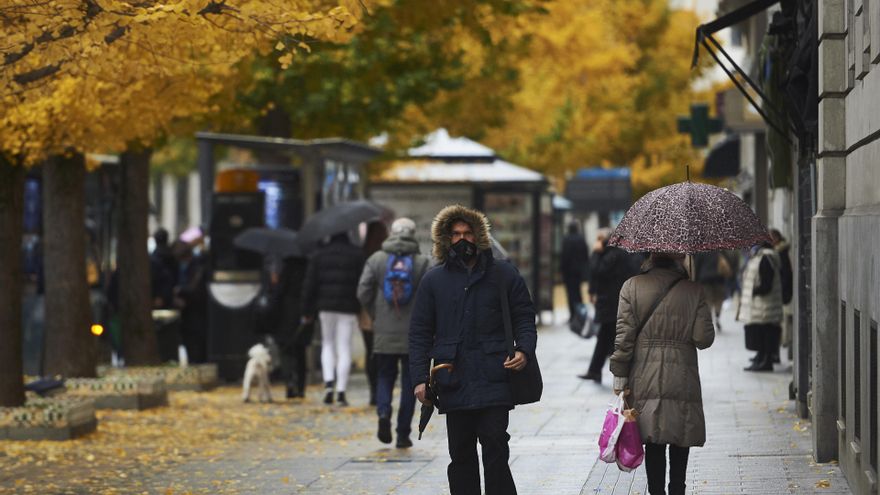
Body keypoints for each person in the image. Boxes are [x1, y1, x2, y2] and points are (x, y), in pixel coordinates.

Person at [409, 205, 536, 495]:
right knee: (461, 454)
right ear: (446, 238)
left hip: (495, 376)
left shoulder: (503, 274)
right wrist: (419, 378)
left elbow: (524, 317)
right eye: (455, 234)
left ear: (479, 236)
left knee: (496, 447)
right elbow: (419, 332)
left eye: (467, 233)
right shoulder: (433, 280)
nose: (462, 239)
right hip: (453, 379)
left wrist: (524, 350)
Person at [610, 252, 715, 495]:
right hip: (683, 374)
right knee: (681, 434)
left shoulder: (631, 287)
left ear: (650, 256)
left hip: (644, 373)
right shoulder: (693, 290)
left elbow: (624, 338)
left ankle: (656, 491)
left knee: (653, 436)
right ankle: (678, 489)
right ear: (678, 257)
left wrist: (619, 375)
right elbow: (703, 338)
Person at [358, 218, 430, 448]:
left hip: (383, 331)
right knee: (411, 382)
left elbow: (363, 291)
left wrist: (376, 314)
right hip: (414, 334)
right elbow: (430, 296)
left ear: (392, 232)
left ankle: (383, 413)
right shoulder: (422, 262)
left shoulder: (376, 259)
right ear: (413, 233)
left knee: (384, 376)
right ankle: (402, 434)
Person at [301, 231, 366, 406]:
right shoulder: (357, 254)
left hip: (325, 307)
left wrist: (306, 310)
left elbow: (310, 284)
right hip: (348, 307)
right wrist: (361, 305)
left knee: (327, 344)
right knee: (344, 347)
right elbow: (363, 282)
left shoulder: (319, 255)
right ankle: (341, 391)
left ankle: (329, 385)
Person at [579, 228, 638, 382]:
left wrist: (595, 253)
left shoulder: (612, 255)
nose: (597, 242)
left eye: (600, 238)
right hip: (612, 302)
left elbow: (596, 271)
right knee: (605, 337)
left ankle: (604, 371)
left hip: (612, 303)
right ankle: (595, 370)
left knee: (611, 338)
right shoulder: (616, 253)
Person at [739, 241, 784, 371]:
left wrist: (753, 291)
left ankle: (766, 361)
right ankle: (761, 357)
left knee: (765, 333)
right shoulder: (760, 256)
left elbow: (766, 284)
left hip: (765, 304)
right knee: (761, 333)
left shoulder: (766, 258)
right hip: (761, 304)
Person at [359, 220, 388, 405]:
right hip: (387, 310)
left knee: (370, 351)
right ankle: (383, 391)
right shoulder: (387, 256)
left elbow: (362, 287)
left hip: (367, 311)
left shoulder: (363, 256)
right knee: (383, 354)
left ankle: (373, 392)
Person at [769, 229, 793, 358]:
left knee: (779, 324)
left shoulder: (780, 252)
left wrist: (782, 293)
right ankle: (775, 353)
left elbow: (785, 275)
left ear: (777, 238)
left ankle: (776, 353)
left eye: (771, 238)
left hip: (781, 294)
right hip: (780, 293)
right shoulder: (777, 251)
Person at [692, 252, 728, 332]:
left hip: (705, 279)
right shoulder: (719, 250)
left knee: (708, 300)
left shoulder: (701, 252)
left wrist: (695, 281)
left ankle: (709, 320)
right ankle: (717, 315)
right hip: (719, 278)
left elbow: (697, 266)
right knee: (719, 299)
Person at [560, 221, 589, 320]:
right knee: (578, 293)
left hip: (568, 272)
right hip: (579, 271)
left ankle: (573, 314)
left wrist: (562, 270)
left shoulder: (566, 240)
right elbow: (585, 256)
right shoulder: (581, 239)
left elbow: (564, 257)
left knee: (570, 293)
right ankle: (580, 313)